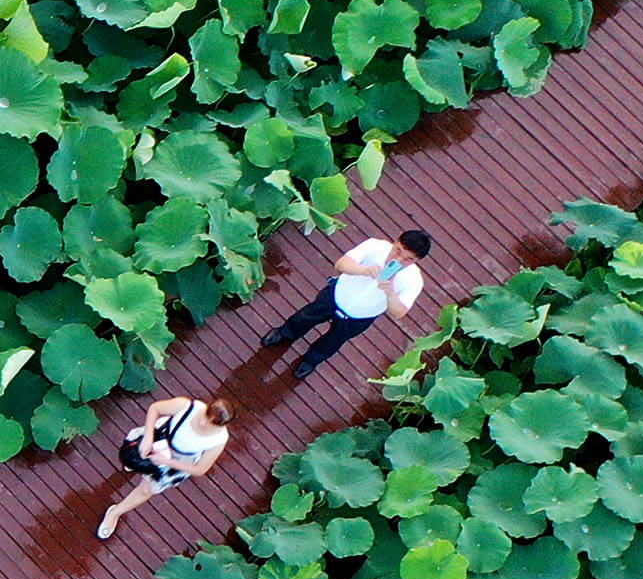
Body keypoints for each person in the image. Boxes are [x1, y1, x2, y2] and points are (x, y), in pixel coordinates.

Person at [256, 230, 429, 379]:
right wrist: (364, 270)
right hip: (335, 296)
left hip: (359, 317)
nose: (398, 259)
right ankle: (285, 333)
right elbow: (341, 263)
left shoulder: (413, 281)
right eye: (398, 250)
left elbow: (399, 312)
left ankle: (311, 360)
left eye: (407, 259)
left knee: (333, 341)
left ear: (416, 261)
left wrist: (390, 292)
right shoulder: (375, 246)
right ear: (395, 240)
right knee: (304, 317)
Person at [95, 397, 233, 540]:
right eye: (205, 417)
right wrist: (148, 436)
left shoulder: (218, 440)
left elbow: (200, 469)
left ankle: (114, 513)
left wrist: (166, 461)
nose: (204, 423)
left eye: (211, 425)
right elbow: (155, 408)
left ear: (221, 426)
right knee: (132, 456)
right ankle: (137, 464)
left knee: (147, 489)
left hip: (176, 460)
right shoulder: (188, 406)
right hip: (160, 438)